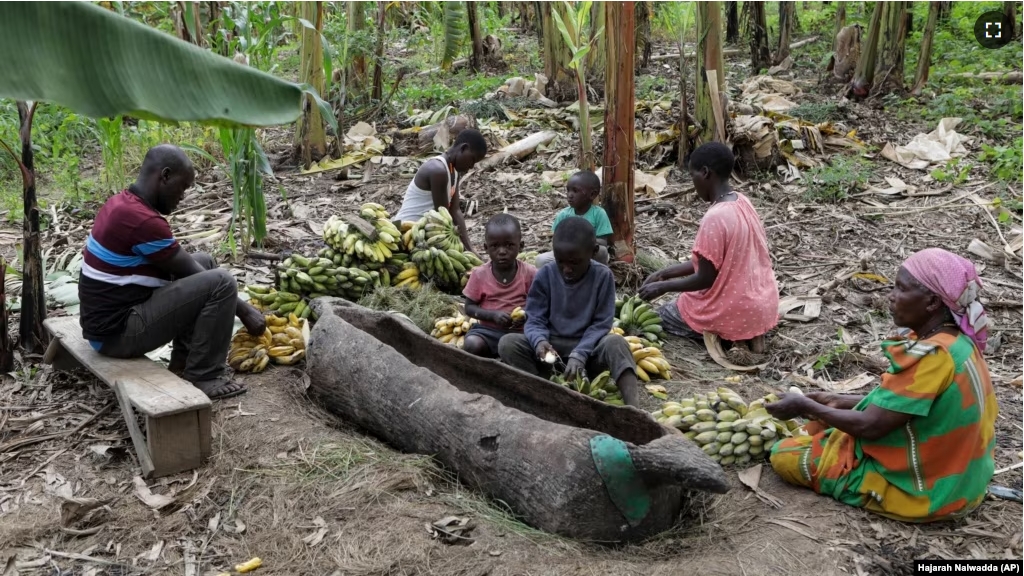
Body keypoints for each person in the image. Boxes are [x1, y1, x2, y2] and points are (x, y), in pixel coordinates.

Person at [765, 248, 996, 523]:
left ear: (932, 302)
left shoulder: (932, 356)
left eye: (901, 289)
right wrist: (832, 399)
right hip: (966, 480)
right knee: (818, 424)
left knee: (784, 455)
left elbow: (871, 427)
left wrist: (805, 404)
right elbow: (906, 405)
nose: (891, 296)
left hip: (931, 493)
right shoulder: (955, 342)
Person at [78, 144, 266, 400]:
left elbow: (190, 268)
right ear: (164, 176)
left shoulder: (123, 203)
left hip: (111, 323)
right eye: (183, 187)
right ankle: (204, 375)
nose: (183, 196)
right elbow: (191, 272)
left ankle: (182, 363)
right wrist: (246, 312)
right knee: (221, 282)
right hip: (116, 335)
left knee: (206, 263)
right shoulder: (141, 220)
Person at [638, 142, 778, 353]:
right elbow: (710, 261)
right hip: (762, 305)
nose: (692, 183)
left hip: (733, 310)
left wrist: (663, 287)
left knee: (659, 316)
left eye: (692, 175)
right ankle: (748, 335)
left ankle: (730, 336)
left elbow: (705, 278)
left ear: (704, 173)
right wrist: (664, 273)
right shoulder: (742, 201)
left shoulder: (715, 217)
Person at [498, 217, 640, 406]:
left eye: (574, 262)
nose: (567, 269)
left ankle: (634, 408)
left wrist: (580, 354)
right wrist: (540, 342)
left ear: (593, 252)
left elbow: (601, 324)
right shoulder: (545, 275)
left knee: (616, 343)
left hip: (588, 352)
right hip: (551, 351)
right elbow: (534, 319)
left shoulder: (602, 276)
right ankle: (540, 390)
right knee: (508, 343)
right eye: (560, 261)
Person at [394, 128, 488, 253]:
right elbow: (443, 218)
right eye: (472, 159)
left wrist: (471, 250)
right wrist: (463, 249)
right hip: (406, 234)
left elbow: (455, 211)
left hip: (426, 234)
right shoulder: (438, 170)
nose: (471, 166)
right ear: (463, 148)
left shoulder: (453, 171)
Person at [462, 214, 538, 358]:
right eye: (495, 246)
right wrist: (492, 315)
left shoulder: (529, 273)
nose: (502, 251)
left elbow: (540, 304)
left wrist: (526, 314)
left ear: (520, 246)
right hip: (488, 331)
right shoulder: (479, 274)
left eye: (509, 245)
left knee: (538, 343)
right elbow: (469, 308)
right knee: (472, 344)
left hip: (520, 333)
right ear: (486, 248)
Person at [534, 170, 612, 268]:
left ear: (592, 194)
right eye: (568, 190)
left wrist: (582, 241)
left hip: (588, 255)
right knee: (541, 260)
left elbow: (603, 242)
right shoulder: (563, 215)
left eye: (575, 191)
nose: (569, 195)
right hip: (565, 255)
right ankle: (555, 280)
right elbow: (555, 239)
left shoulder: (599, 214)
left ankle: (598, 278)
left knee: (602, 251)